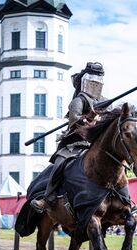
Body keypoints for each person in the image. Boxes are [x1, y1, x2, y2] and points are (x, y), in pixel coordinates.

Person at [30, 62, 107, 213]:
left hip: (96, 143)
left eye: (98, 81)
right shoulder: (79, 100)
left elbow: (109, 117)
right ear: (85, 81)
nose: (95, 83)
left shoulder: (104, 100)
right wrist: (89, 118)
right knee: (60, 164)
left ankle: (124, 198)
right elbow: (75, 120)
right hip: (75, 143)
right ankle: (47, 199)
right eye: (92, 80)